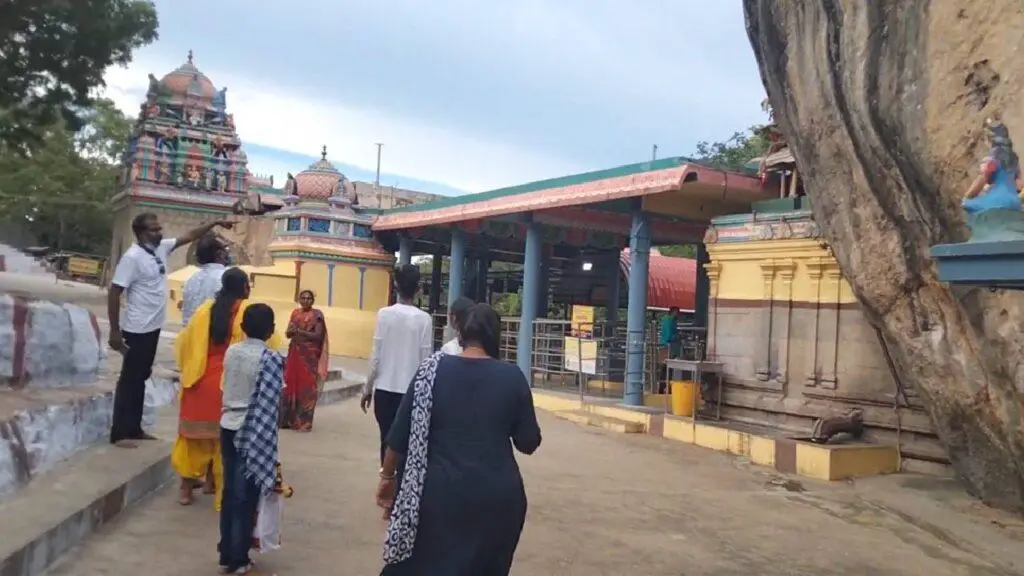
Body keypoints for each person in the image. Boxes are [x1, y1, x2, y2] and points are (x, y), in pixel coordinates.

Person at [375, 303, 542, 575]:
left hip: (438, 495)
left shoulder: (430, 371)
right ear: (495, 337)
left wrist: (387, 477)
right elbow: (528, 443)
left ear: (460, 333)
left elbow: (398, 435)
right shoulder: (512, 377)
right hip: (498, 498)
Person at [107, 212, 234, 448]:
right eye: (154, 230)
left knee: (141, 377)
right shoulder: (132, 258)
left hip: (154, 325)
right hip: (137, 327)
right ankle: (120, 432)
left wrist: (214, 222)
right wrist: (114, 331)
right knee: (130, 379)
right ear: (141, 233)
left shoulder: (160, 249)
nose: (159, 232)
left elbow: (189, 235)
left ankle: (134, 428)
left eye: (159, 228)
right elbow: (114, 292)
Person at [173, 268, 280, 508]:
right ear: (244, 287)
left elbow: (184, 343)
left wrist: (189, 372)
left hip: (198, 383)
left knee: (194, 440)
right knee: (223, 441)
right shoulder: (246, 311)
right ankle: (217, 487)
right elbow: (267, 345)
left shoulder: (204, 310)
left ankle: (186, 488)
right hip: (228, 385)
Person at [219, 303, 284, 576]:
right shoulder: (271, 359)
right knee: (246, 496)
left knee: (230, 492)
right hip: (253, 429)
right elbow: (275, 403)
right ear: (271, 330)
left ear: (243, 327)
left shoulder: (232, 352)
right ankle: (239, 557)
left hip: (228, 424)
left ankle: (227, 551)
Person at [360, 264, 433, 465]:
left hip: (385, 389)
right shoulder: (425, 319)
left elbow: (376, 356)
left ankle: (386, 482)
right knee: (407, 444)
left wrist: (367, 388)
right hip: (411, 392)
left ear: (395, 285)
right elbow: (425, 361)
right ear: (418, 288)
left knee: (386, 439)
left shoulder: (384, 314)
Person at [281, 289, 329, 432]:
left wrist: (299, 332)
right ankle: (289, 420)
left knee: (307, 387)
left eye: (308, 298)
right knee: (290, 383)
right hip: (295, 353)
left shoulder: (317, 315)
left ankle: (305, 421)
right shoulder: (295, 313)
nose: (305, 300)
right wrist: (290, 332)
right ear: (299, 299)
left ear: (313, 300)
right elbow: (288, 332)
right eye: (303, 298)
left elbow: (318, 336)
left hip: (309, 357)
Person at [181, 234, 231, 326]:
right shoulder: (228, 277)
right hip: (213, 336)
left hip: (189, 335)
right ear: (219, 254)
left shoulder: (190, 280)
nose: (228, 254)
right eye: (226, 250)